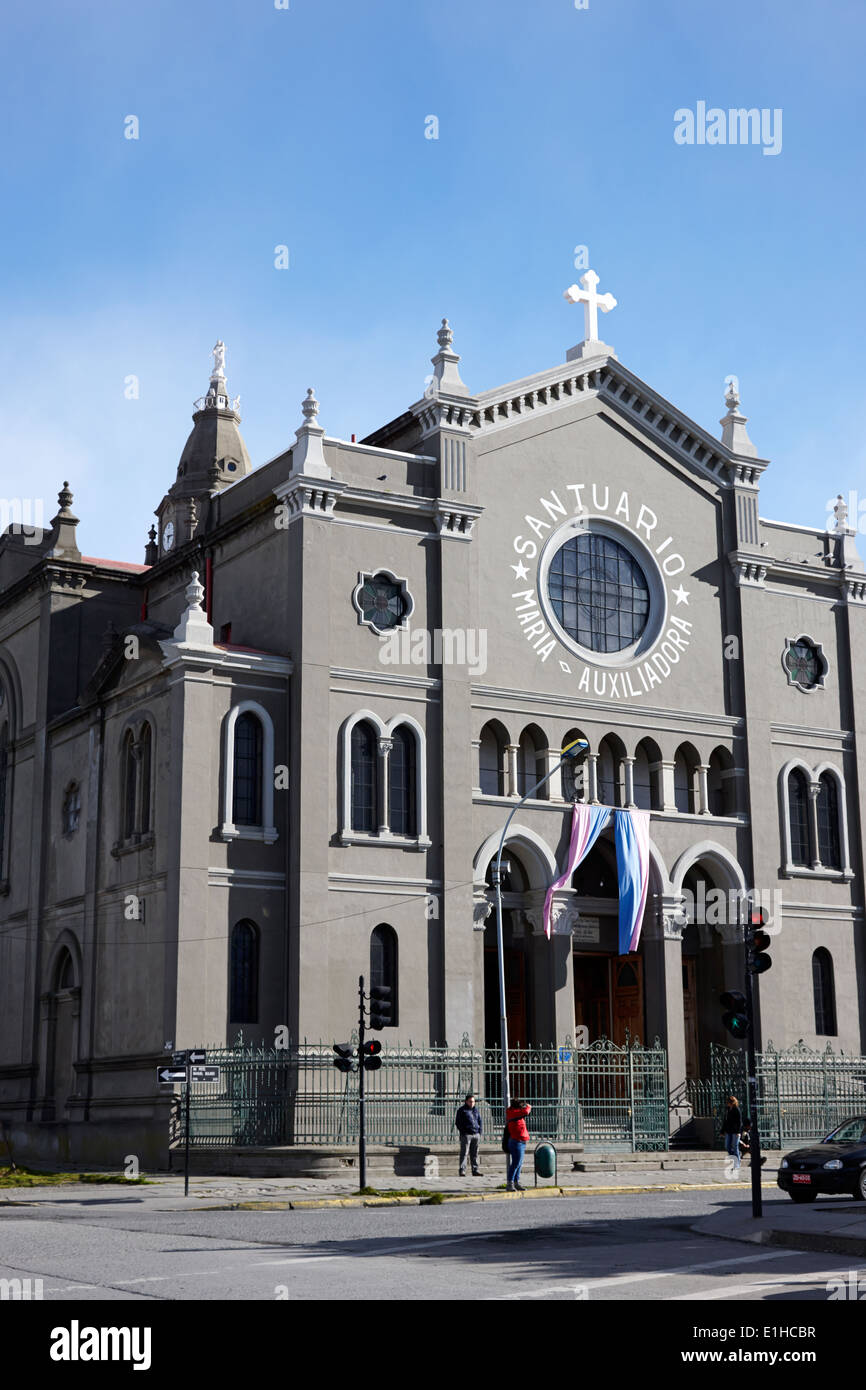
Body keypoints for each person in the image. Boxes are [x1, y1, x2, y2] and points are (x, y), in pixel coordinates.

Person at [505, 1099, 531, 1191]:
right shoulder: (514, 1112)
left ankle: (516, 1182)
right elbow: (527, 1110)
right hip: (516, 1141)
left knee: (519, 1163)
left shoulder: (516, 1112)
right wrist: (528, 1105)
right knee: (515, 1163)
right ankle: (510, 1183)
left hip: (521, 1141)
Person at [454, 1093, 483, 1176]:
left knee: (475, 1153)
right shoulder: (462, 1110)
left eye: (473, 1102)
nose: (472, 1103)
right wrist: (463, 1131)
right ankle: (462, 1170)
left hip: (476, 1134)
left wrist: (479, 1132)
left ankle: (475, 1170)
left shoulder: (476, 1110)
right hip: (466, 1134)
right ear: (466, 1101)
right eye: (470, 1101)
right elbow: (458, 1122)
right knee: (464, 1153)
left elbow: (479, 1121)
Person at [722, 1095, 742, 1169]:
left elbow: (739, 1122)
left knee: (735, 1146)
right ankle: (735, 1157)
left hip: (735, 1131)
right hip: (728, 1131)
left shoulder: (736, 1109)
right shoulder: (727, 1110)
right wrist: (722, 1130)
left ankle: (737, 1163)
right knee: (727, 1146)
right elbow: (725, 1120)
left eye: (728, 1102)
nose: (727, 1103)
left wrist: (738, 1131)